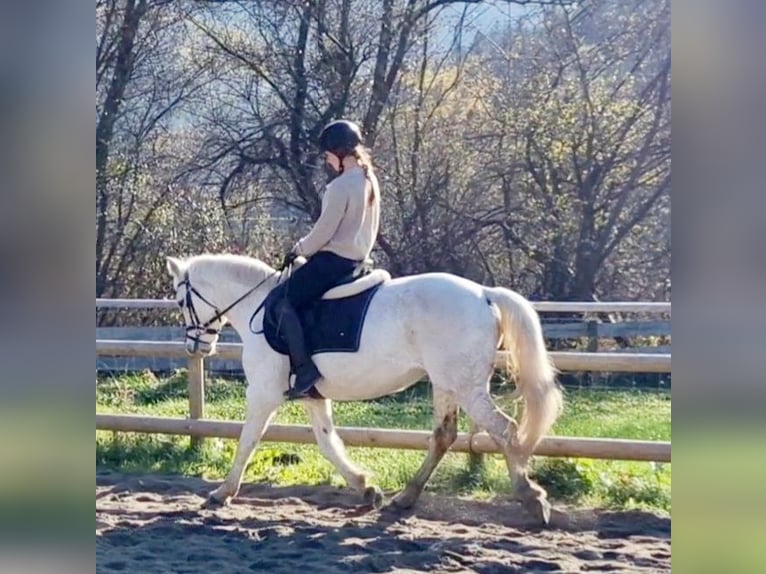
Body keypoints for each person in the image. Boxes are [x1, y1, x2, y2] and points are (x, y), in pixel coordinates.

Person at [273, 119, 381, 400]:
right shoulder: (370, 181)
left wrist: (298, 250)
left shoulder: (339, 187)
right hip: (360, 261)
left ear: (338, 153)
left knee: (282, 301)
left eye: (327, 155)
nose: (327, 161)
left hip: (333, 261)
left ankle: (305, 370)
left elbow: (323, 232)